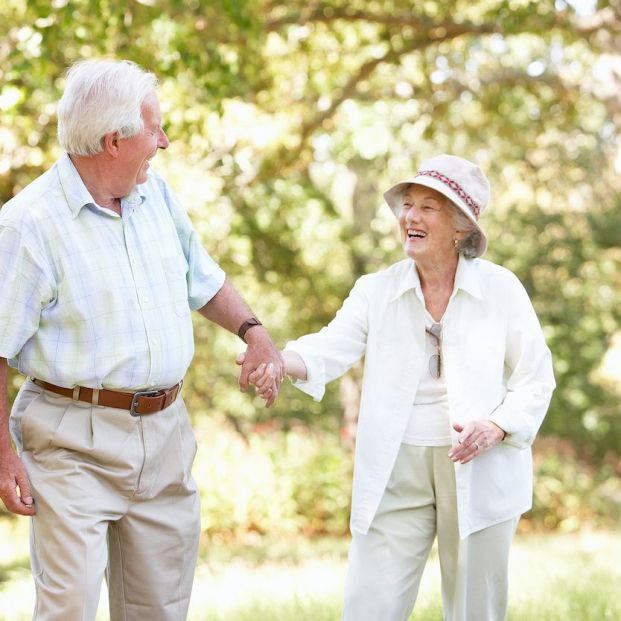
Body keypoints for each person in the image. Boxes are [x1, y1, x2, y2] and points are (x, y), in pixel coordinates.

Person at [0, 58, 283, 621]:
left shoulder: (156, 197)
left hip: (165, 434)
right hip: (70, 441)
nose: (165, 140)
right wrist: (2, 455)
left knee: (159, 609)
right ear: (113, 140)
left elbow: (201, 279)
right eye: (155, 129)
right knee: (68, 611)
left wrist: (254, 332)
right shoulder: (28, 225)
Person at [249, 154, 556, 620]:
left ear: (460, 227)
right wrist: (277, 360)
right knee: (369, 605)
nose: (410, 216)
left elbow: (536, 377)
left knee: (476, 610)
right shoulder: (377, 290)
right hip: (395, 463)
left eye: (428, 207)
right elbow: (330, 346)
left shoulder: (501, 289)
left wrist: (497, 425)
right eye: (407, 205)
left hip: (478, 462)